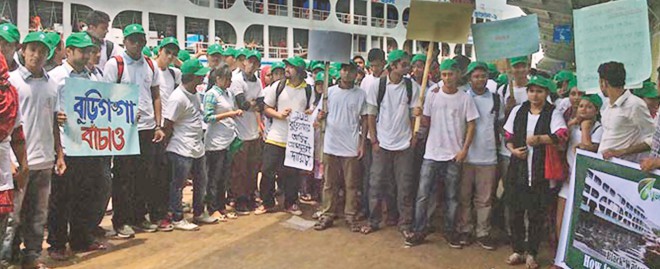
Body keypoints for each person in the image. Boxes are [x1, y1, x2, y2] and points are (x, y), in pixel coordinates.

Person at [47, 32, 108, 261]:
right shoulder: (55, 77)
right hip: (66, 147)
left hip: (89, 146)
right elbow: (47, 108)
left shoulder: (95, 78)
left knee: (86, 195)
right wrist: (57, 117)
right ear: (69, 51)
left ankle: (81, 238)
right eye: (82, 51)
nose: (86, 56)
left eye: (89, 51)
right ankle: (57, 243)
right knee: (61, 198)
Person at [8, 31, 66, 269]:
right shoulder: (11, 82)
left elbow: (54, 122)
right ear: (23, 50)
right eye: (32, 49)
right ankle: (7, 258)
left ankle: (32, 256)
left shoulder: (52, 85)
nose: (37, 54)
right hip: (18, 163)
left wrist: (59, 154)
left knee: (37, 216)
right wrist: (11, 161)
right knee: (11, 217)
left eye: (42, 50)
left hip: (43, 161)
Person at [103, 24, 165, 238]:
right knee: (123, 177)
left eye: (140, 40)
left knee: (144, 176)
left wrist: (158, 125)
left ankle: (139, 217)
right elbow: (107, 97)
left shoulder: (150, 64)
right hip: (124, 130)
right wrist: (122, 116)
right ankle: (121, 221)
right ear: (125, 42)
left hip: (147, 128)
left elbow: (155, 95)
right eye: (132, 40)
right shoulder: (115, 65)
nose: (136, 44)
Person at [410, 59, 478, 247]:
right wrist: (418, 114)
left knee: (452, 197)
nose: (447, 78)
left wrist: (464, 150)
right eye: (444, 74)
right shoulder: (433, 96)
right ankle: (419, 230)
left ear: (457, 75)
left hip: (453, 155)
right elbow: (426, 121)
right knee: (423, 194)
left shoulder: (465, 98)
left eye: (450, 74)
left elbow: (472, 125)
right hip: (431, 153)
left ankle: (450, 232)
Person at [503, 76, 567, 269]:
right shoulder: (519, 110)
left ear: (546, 93)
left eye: (539, 91)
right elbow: (508, 135)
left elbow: (562, 134)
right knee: (515, 211)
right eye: (532, 91)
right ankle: (518, 249)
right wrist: (513, 150)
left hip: (540, 172)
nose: (535, 95)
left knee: (535, 214)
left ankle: (532, 252)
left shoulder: (552, 113)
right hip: (518, 169)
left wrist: (540, 139)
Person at [362, 50, 420, 243]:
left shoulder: (412, 86)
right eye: (404, 64)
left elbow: (414, 114)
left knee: (405, 186)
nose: (408, 67)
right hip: (382, 144)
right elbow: (371, 114)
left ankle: (405, 224)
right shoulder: (377, 86)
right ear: (393, 66)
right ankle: (374, 220)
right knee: (376, 183)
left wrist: (413, 136)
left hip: (404, 145)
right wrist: (374, 140)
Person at [258, 56, 315, 215]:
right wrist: (279, 115)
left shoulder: (308, 89)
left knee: (292, 174)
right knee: (267, 170)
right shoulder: (278, 86)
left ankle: (291, 202)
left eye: (291, 67)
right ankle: (267, 202)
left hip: (296, 139)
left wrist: (307, 113)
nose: (286, 69)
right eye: (287, 66)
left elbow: (312, 111)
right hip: (276, 135)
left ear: (299, 71)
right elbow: (266, 108)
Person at [314, 61, 367, 231]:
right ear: (340, 72)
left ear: (355, 74)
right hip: (331, 144)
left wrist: (361, 143)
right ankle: (328, 213)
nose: (347, 74)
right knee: (329, 183)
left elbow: (365, 119)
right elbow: (317, 119)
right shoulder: (329, 93)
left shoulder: (361, 94)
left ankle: (350, 215)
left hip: (350, 144)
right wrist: (320, 117)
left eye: (351, 71)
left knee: (351, 184)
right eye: (344, 70)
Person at [164, 58, 214, 231]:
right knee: (178, 184)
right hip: (181, 148)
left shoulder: (193, 94)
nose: (202, 79)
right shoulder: (178, 98)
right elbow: (168, 124)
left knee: (202, 181)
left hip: (196, 147)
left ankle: (199, 212)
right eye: (199, 76)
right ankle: (177, 217)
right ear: (191, 77)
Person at [457, 61, 501, 250]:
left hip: (488, 155)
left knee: (485, 198)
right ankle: (465, 229)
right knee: (464, 196)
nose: (480, 79)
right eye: (476, 76)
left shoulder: (496, 99)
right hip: (465, 155)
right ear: (469, 79)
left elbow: (499, 124)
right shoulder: (462, 97)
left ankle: (483, 231)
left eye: (483, 76)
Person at [555, 94, 602, 266]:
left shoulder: (599, 129)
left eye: (589, 107)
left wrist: (586, 128)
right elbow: (560, 144)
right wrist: (573, 124)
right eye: (581, 106)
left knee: (578, 223)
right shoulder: (573, 126)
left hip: (586, 181)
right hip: (568, 178)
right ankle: (560, 257)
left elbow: (587, 151)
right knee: (560, 220)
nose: (584, 109)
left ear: (596, 111)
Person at [228, 50, 263, 214]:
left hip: (253, 132)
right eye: (250, 62)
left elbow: (261, 105)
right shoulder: (236, 80)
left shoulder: (257, 82)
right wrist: (253, 104)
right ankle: (239, 199)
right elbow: (242, 104)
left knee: (252, 168)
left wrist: (252, 104)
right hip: (239, 132)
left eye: (255, 63)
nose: (252, 65)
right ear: (244, 63)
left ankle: (249, 196)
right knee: (239, 170)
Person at [0, 52, 27, 267]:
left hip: (3, 169)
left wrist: (23, 165)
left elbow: (17, 134)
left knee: (3, 222)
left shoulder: (11, 93)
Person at [152, 36, 182, 232]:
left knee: (165, 174)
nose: (170, 56)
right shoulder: (150, 69)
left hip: (168, 129)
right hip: (153, 129)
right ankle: (154, 212)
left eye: (173, 54)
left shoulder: (174, 73)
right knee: (152, 174)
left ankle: (162, 211)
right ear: (159, 51)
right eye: (167, 52)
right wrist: (157, 125)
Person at [598, 62, 654, 162]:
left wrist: (621, 152)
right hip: (603, 165)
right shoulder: (607, 105)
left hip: (623, 168)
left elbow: (653, 138)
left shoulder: (635, 104)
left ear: (604, 83)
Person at [358, 48, 387, 221]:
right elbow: (364, 110)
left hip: (382, 136)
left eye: (377, 65)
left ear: (384, 63)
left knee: (383, 176)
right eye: (372, 66)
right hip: (368, 135)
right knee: (367, 174)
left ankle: (384, 210)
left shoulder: (387, 81)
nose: (374, 69)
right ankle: (366, 208)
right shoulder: (366, 81)